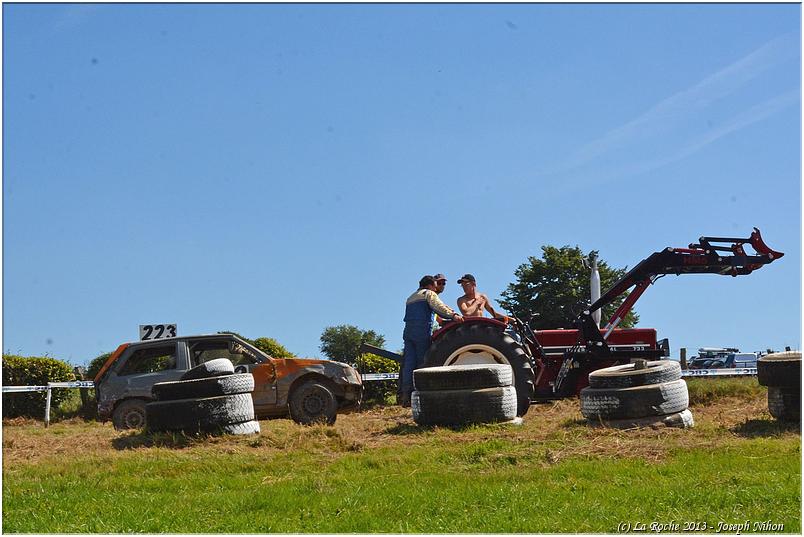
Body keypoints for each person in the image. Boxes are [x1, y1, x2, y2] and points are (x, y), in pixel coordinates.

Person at [399, 275, 464, 407]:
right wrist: (453, 315)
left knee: (409, 364)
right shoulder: (428, 294)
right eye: (435, 285)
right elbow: (438, 306)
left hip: (408, 332)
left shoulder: (411, 297)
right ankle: (421, 393)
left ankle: (406, 395)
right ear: (429, 285)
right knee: (422, 362)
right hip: (421, 331)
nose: (436, 288)